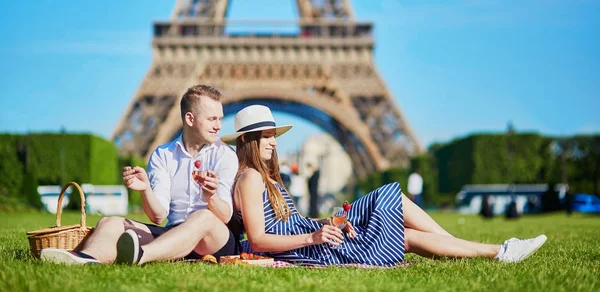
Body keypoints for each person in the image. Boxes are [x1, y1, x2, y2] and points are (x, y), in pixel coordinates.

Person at [222, 105, 548, 267]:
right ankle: (498, 252)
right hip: (309, 249)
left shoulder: (265, 177)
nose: (273, 143)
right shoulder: (250, 178)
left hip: (315, 237)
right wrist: (315, 235)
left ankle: (473, 249)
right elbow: (259, 239)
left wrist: (327, 223)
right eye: (267, 137)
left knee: (393, 195)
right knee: (404, 234)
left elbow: (284, 224)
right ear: (248, 140)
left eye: (273, 137)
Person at [40, 85, 239, 265]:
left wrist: (211, 197)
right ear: (190, 118)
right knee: (110, 222)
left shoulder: (225, 155)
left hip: (214, 239)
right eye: (212, 119)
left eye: (220, 119)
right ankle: (86, 258)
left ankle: (141, 255)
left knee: (202, 217)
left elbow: (225, 215)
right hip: (173, 233)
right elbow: (158, 216)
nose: (219, 126)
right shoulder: (163, 155)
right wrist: (146, 190)